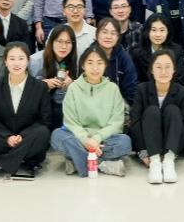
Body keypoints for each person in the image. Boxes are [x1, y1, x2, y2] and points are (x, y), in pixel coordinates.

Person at [49, 46, 132, 177]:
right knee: (57, 136)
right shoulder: (74, 88)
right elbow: (71, 122)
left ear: (105, 65)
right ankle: (102, 164)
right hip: (79, 138)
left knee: (124, 142)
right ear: (83, 65)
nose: (95, 68)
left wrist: (96, 139)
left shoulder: (113, 88)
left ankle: (77, 161)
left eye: (99, 63)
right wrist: (86, 140)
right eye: (90, 63)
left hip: (104, 139)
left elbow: (116, 123)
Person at [0, 42, 52, 181]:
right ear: (5, 61)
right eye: (12, 59)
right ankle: (25, 160)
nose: (16, 63)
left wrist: (23, 136)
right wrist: (7, 138)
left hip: (28, 138)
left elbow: (44, 121)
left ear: (28, 61)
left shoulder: (40, 87)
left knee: (43, 132)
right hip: (5, 141)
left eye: (21, 58)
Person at [129, 51, 184, 184]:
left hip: (172, 144)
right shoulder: (142, 89)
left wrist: (174, 153)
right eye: (158, 67)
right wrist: (143, 152)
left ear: (174, 69)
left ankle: (169, 162)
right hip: (149, 144)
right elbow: (135, 123)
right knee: (152, 111)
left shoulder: (182, 91)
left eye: (168, 67)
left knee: (173, 110)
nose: (163, 71)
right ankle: (155, 163)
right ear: (152, 69)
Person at [29, 24, 77, 129]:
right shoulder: (35, 60)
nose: (63, 46)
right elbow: (24, 89)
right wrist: (42, 85)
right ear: (51, 42)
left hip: (57, 108)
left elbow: (61, 100)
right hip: (34, 107)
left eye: (68, 42)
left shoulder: (73, 62)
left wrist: (69, 86)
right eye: (59, 41)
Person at [130, 13, 184, 86]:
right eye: (154, 30)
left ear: (168, 32)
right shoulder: (137, 52)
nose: (158, 35)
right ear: (147, 31)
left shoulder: (177, 51)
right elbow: (136, 80)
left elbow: (179, 80)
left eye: (162, 30)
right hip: (145, 91)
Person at [94, 17, 138, 104]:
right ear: (97, 34)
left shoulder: (124, 57)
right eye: (104, 32)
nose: (108, 37)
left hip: (119, 103)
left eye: (113, 33)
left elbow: (131, 87)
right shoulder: (89, 55)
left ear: (118, 37)